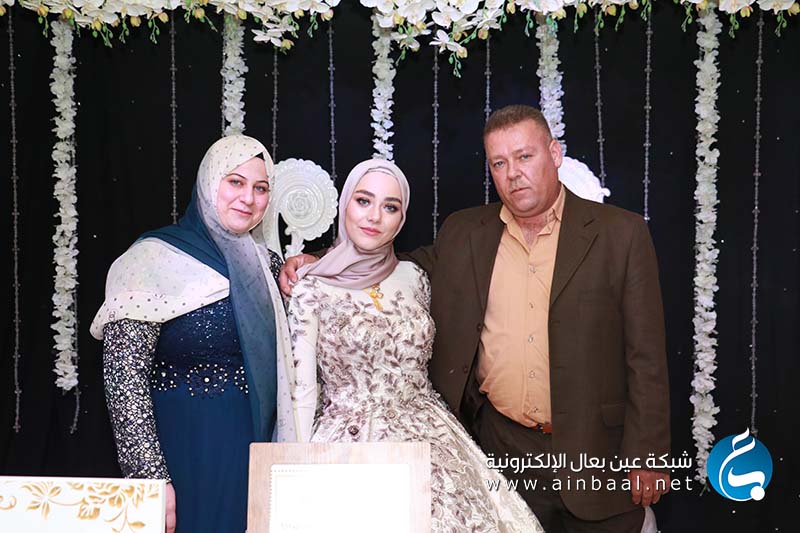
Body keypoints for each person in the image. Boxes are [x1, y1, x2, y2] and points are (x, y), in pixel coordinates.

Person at [281, 106, 671, 532]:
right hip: (503, 449)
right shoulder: (466, 232)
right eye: (499, 163)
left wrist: (648, 455)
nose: (513, 174)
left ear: (555, 153)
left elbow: (646, 355)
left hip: (595, 451)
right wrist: (318, 261)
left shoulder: (620, 233)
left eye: (524, 157)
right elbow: (392, 265)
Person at [278, 158, 544, 532]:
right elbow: (302, 391)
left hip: (432, 439)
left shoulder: (415, 276)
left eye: (390, 207)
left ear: (401, 219)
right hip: (349, 443)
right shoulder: (311, 288)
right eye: (363, 201)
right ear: (345, 205)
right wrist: (294, 469)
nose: (374, 216)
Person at [91, 135, 292, 533]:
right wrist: (150, 479)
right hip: (184, 451)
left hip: (257, 450)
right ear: (209, 182)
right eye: (235, 182)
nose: (248, 198)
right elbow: (124, 379)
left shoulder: (268, 265)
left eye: (261, 188)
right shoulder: (151, 259)